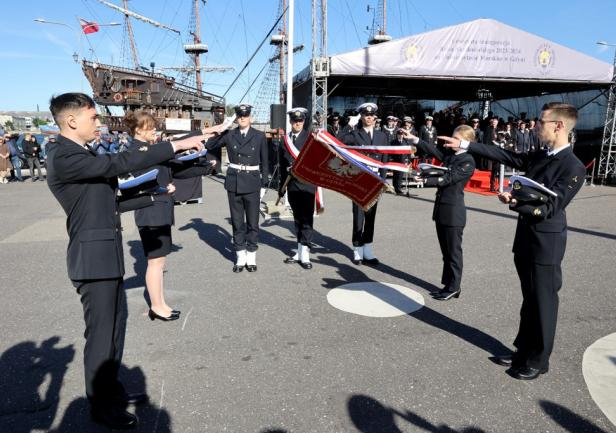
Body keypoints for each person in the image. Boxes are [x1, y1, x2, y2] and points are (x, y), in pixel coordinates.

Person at [45, 92, 206, 429]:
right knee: (101, 336)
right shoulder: (64, 155)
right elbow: (116, 164)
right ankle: (101, 406)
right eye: (93, 117)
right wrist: (175, 145)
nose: (99, 123)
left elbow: (107, 202)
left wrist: (151, 195)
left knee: (115, 330)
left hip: (105, 255)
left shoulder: (80, 153)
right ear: (71, 120)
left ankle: (112, 392)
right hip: (92, 259)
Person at [439, 102, 586, 380]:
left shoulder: (573, 166)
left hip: (546, 244)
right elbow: (507, 156)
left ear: (558, 126)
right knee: (529, 299)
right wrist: (467, 145)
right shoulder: (541, 155)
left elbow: (551, 207)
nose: (536, 126)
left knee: (543, 301)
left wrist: (515, 201)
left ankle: (539, 360)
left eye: (541, 122)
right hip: (526, 239)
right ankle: (523, 350)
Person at [125, 110, 217, 321]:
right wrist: (161, 189)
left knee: (159, 262)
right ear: (138, 130)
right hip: (151, 211)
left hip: (159, 210)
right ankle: (157, 306)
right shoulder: (137, 151)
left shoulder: (149, 149)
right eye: (150, 127)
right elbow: (138, 183)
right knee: (156, 262)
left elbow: (174, 169)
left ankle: (159, 303)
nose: (154, 130)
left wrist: (205, 168)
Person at [407, 125, 476, 300]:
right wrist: (416, 140)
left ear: (466, 141)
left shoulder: (467, 160)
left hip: (453, 213)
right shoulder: (451, 156)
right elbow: (434, 151)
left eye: (455, 138)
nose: (451, 140)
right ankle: (448, 284)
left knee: (453, 253)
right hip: (442, 210)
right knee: (446, 252)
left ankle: (454, 287)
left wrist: (425, 181)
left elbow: (448, 178)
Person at [205, 103, 269, 273]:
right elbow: (210, 145)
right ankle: (240, 255)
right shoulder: (229, 134)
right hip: (234, 183)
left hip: (252, 183)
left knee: (253, 223)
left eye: (245, 116)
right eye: (240, 116)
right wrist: (222, 129)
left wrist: (264, 184)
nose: (242, 118)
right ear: (236, 118)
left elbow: (265, 162)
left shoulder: (259, 136)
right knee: (237, 222)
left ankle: (251, 255)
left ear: (250, 118)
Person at [339, 102, 386, 265]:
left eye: (372, 115)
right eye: (366, 115)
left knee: (371, 216)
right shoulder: (355, 134)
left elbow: (385, 160)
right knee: (358, 217)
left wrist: (383, 181)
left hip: (375, 181)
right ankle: (357, 249)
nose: (369, 118)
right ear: (362, 117)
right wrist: (348, 126)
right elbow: (338, 141)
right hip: (359, 181)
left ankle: (368, 249)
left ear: (375, 117)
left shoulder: (382, 136)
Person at [279, 107, 317, 269]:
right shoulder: (285, 140)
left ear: (304, 121)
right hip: (292, 184)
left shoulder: (311, 139)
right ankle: (299, 250)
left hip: (307, 184)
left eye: (300, 120)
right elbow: (282, 166)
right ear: (290, 121)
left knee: (307, 219)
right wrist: (281, 187)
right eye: (295, 120)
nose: (297, 123)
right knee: (297, 219)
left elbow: (317, 162)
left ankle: (305, 253)